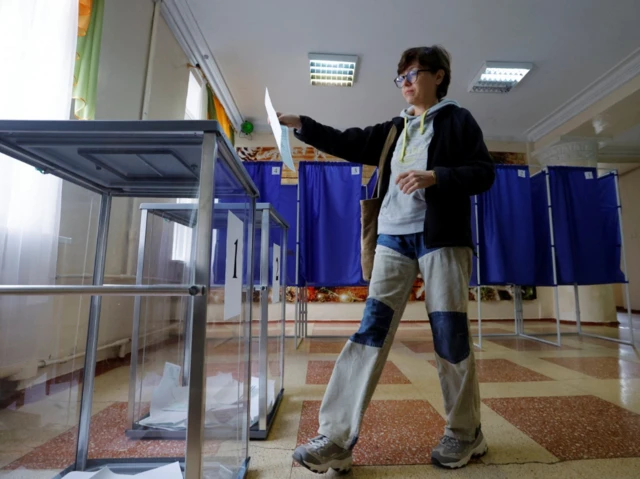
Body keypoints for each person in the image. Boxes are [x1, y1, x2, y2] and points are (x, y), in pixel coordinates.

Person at [278, 45, 495, 474]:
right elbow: (348, 140)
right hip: (392, 240)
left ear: (439, 76)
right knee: (370, 331)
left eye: (413, 73)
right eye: (401, 77)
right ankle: (336, 438)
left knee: (449, 332)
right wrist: (304, 125)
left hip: (442, 240)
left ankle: (466, 432)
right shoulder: (396, 128)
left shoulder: (457, 120)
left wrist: (438, 177)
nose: (406, 82)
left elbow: (484, 173)